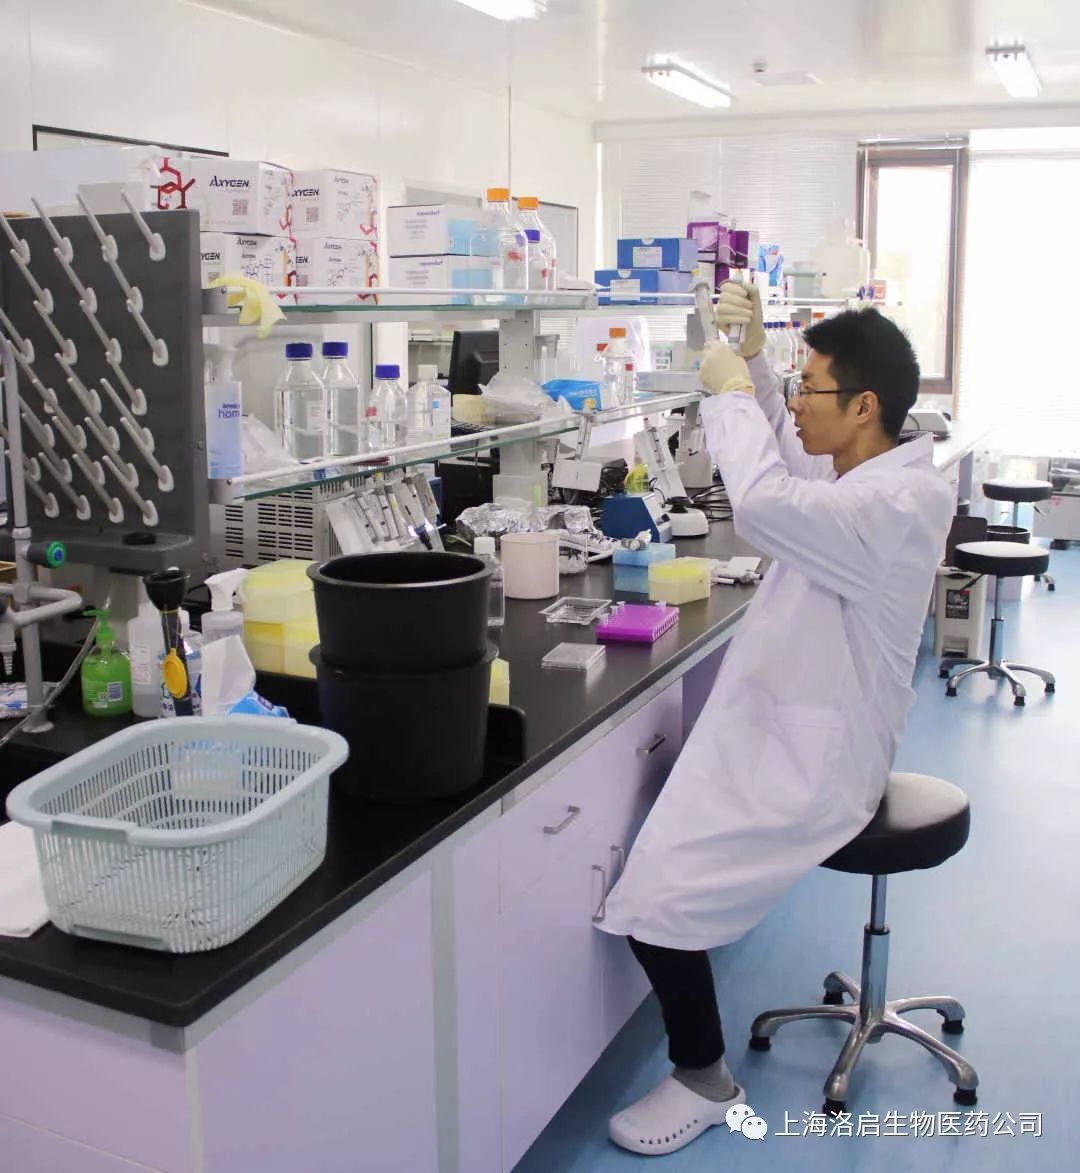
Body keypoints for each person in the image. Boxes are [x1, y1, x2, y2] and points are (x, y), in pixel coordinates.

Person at [600, 283, 955, 1157]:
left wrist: (725, 392)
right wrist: (757, 364)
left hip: (822, 762)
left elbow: (764, 502)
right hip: (794, 728)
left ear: (863, 407)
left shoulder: (888, 509)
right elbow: (794, 466)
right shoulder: (870, 473)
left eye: (810, 386)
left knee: (655, 892)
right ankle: (699, 1057)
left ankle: (703, 1077)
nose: (796, 402)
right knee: (665, 863)